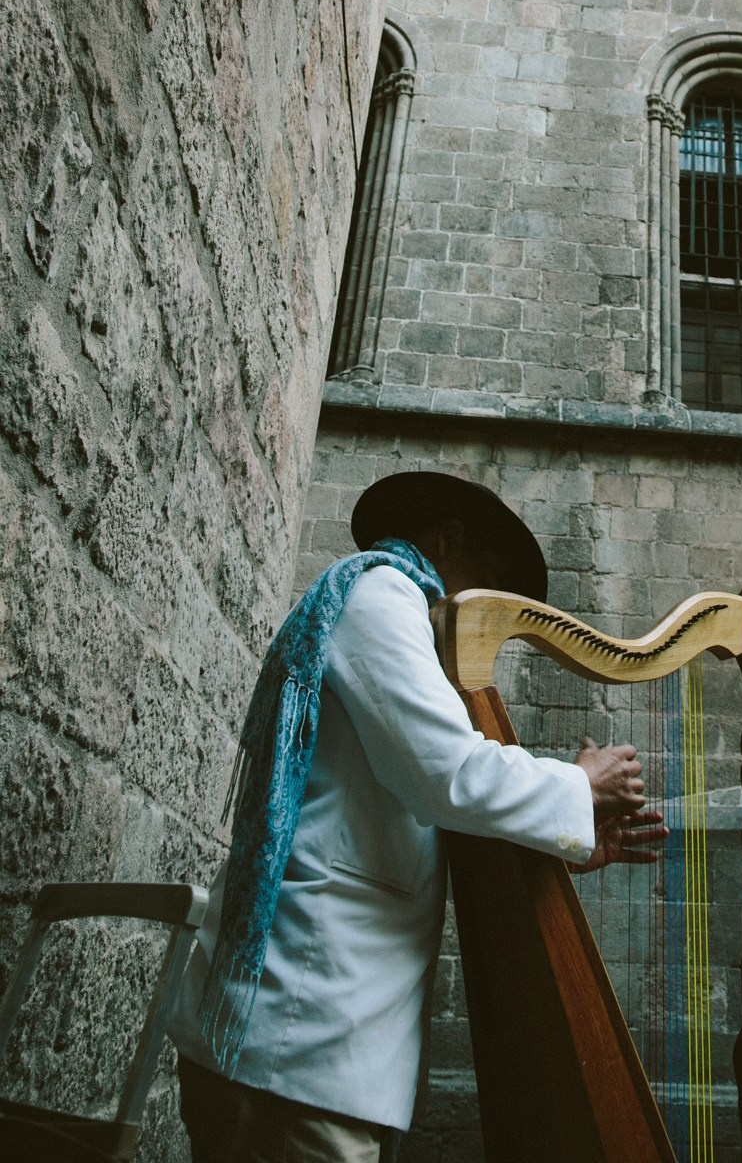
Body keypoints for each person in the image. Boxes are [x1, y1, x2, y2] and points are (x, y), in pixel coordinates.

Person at [169, 471, 661, 1162]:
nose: (487, 613)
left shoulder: (388, 606)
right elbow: (444, 773)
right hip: (301, 1030)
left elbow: (411, 808)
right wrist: (578, 786)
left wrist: (561, 843)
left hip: (318, 1035)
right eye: (490, 586)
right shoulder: (381, 594)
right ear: (448, 539)